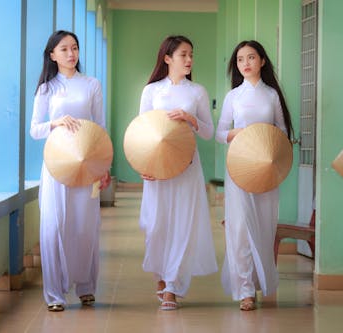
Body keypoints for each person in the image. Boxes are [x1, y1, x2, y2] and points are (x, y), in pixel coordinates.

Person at [30, 30, 111, 312]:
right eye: (64, 49)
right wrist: (55, 123)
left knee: (85, 226)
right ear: (52, 55)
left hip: (87, 164)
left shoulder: (92, 85)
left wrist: (104, 166)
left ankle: (86, 288)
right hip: (56, 165)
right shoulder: (46, 89)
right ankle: (54, 294)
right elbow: (34, 129)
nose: (71, 54)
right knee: (53, 226)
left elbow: (100, 128)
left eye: (74, 48)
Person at [138, 35, 218, 311]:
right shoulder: (151, 92)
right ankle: (160, 275)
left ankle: (172, 286)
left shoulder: (197, 92)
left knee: (183, 224)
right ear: (167, 58)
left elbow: (208, 131)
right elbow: (141, 132)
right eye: (183, 55)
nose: (189, 60)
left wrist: (190, 118)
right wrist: (143, 166)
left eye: (191, 55)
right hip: (157, 166)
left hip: (187, 165)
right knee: (157, 225)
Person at [215, 40, 294, 311]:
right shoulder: (233, 97)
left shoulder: (271, 95)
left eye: (250, 58)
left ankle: (258, 282)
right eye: (240, 60)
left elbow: (283, 131)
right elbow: (219, 133)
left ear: (262, 61)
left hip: (266, 168)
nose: (245, 63)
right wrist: (238, 134)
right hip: (238, 166)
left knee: (263, 225)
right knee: (239, 227)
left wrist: (267, 138)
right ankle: (244, 289)